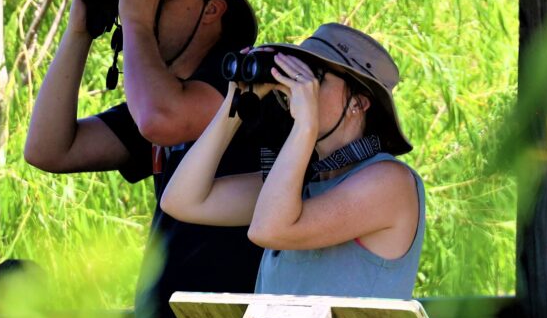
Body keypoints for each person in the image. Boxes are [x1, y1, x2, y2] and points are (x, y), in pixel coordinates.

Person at [24, 0, 264, 318]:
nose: (145, 6)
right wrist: (80, 32)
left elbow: (160, 120)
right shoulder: (163, 102)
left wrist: (134, 21)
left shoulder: (245, 88)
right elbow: (48, 150)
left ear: (213, 9)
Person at [160, 23, 425, 299]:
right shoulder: (300, 187)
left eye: (314, 77)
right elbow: (180, 201)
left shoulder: (390, 182)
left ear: (358, 103)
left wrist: (305, 126)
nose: (295, 86)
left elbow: (268, 229)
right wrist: (235, 103)